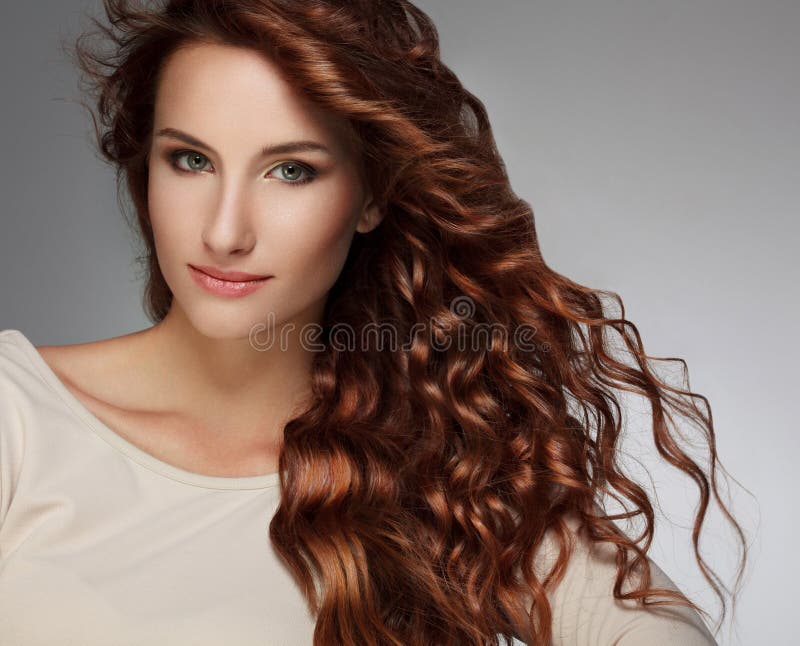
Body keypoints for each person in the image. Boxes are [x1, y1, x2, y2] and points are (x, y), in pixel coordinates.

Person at [0, 1, 747, 644]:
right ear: (147, 169)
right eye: (191, 160)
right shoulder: (18, 415)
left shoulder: (431, 469)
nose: (225, 232)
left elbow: (647, 625)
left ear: (371, 196)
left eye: (292, 169)